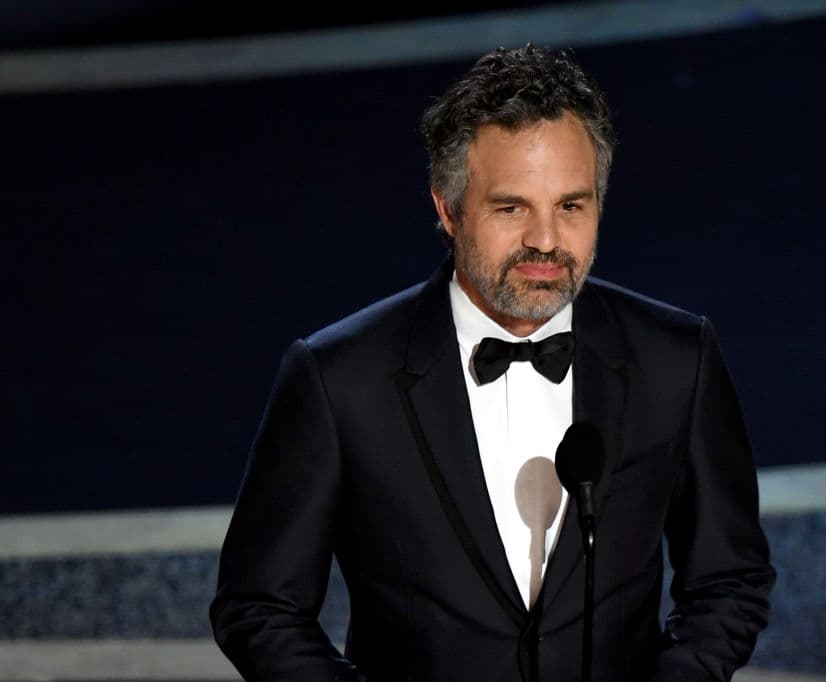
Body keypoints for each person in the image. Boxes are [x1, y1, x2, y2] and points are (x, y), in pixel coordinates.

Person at [210, 44, 775, 682]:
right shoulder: (340, 378)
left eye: (571, 206)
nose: (545, 240)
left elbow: (730, 579)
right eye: (511, 208)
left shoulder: (675, 359)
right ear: (447, 210)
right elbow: (259, 605)